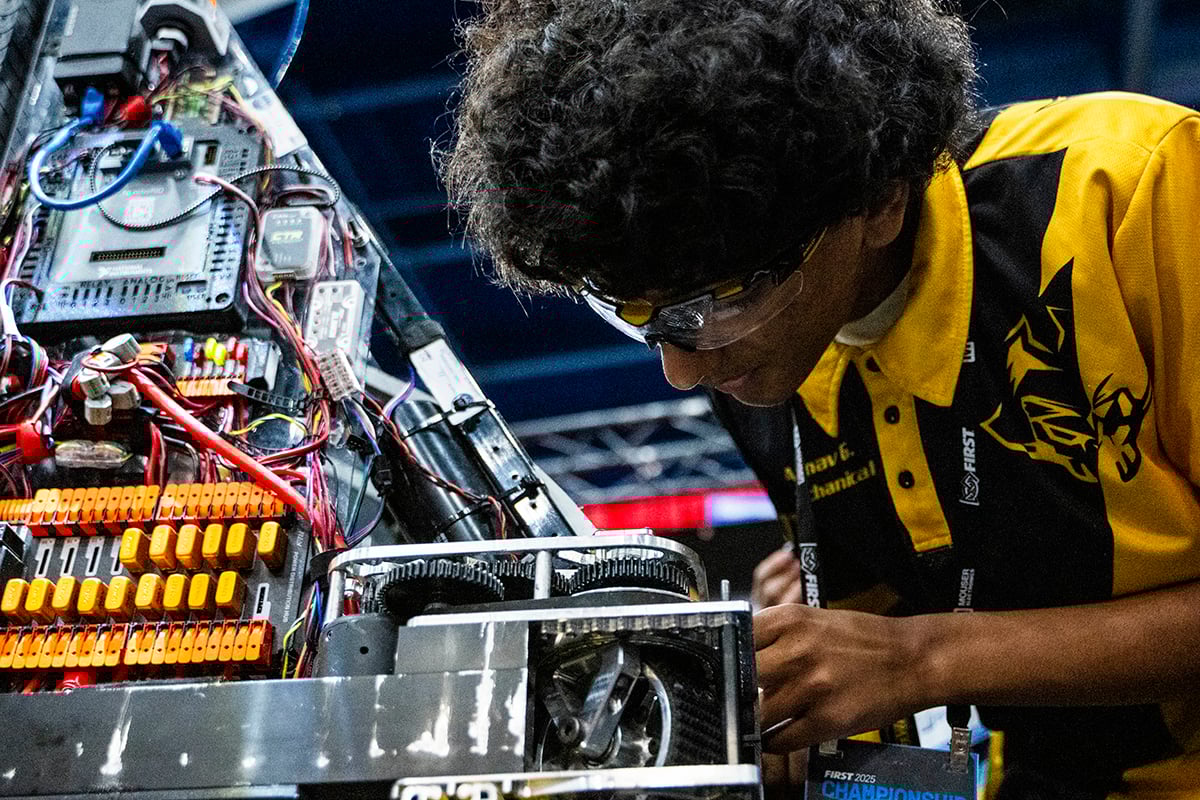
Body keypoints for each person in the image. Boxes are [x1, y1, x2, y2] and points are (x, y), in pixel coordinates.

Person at [437, 0, 1200, 796]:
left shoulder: (1130, 192)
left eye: (717, 301)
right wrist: (801, 702)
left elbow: (912, 654)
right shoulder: (757, 359)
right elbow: (883, 642)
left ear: (877, 201)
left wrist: (920, 658)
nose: (681, 372)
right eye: (637, 315)